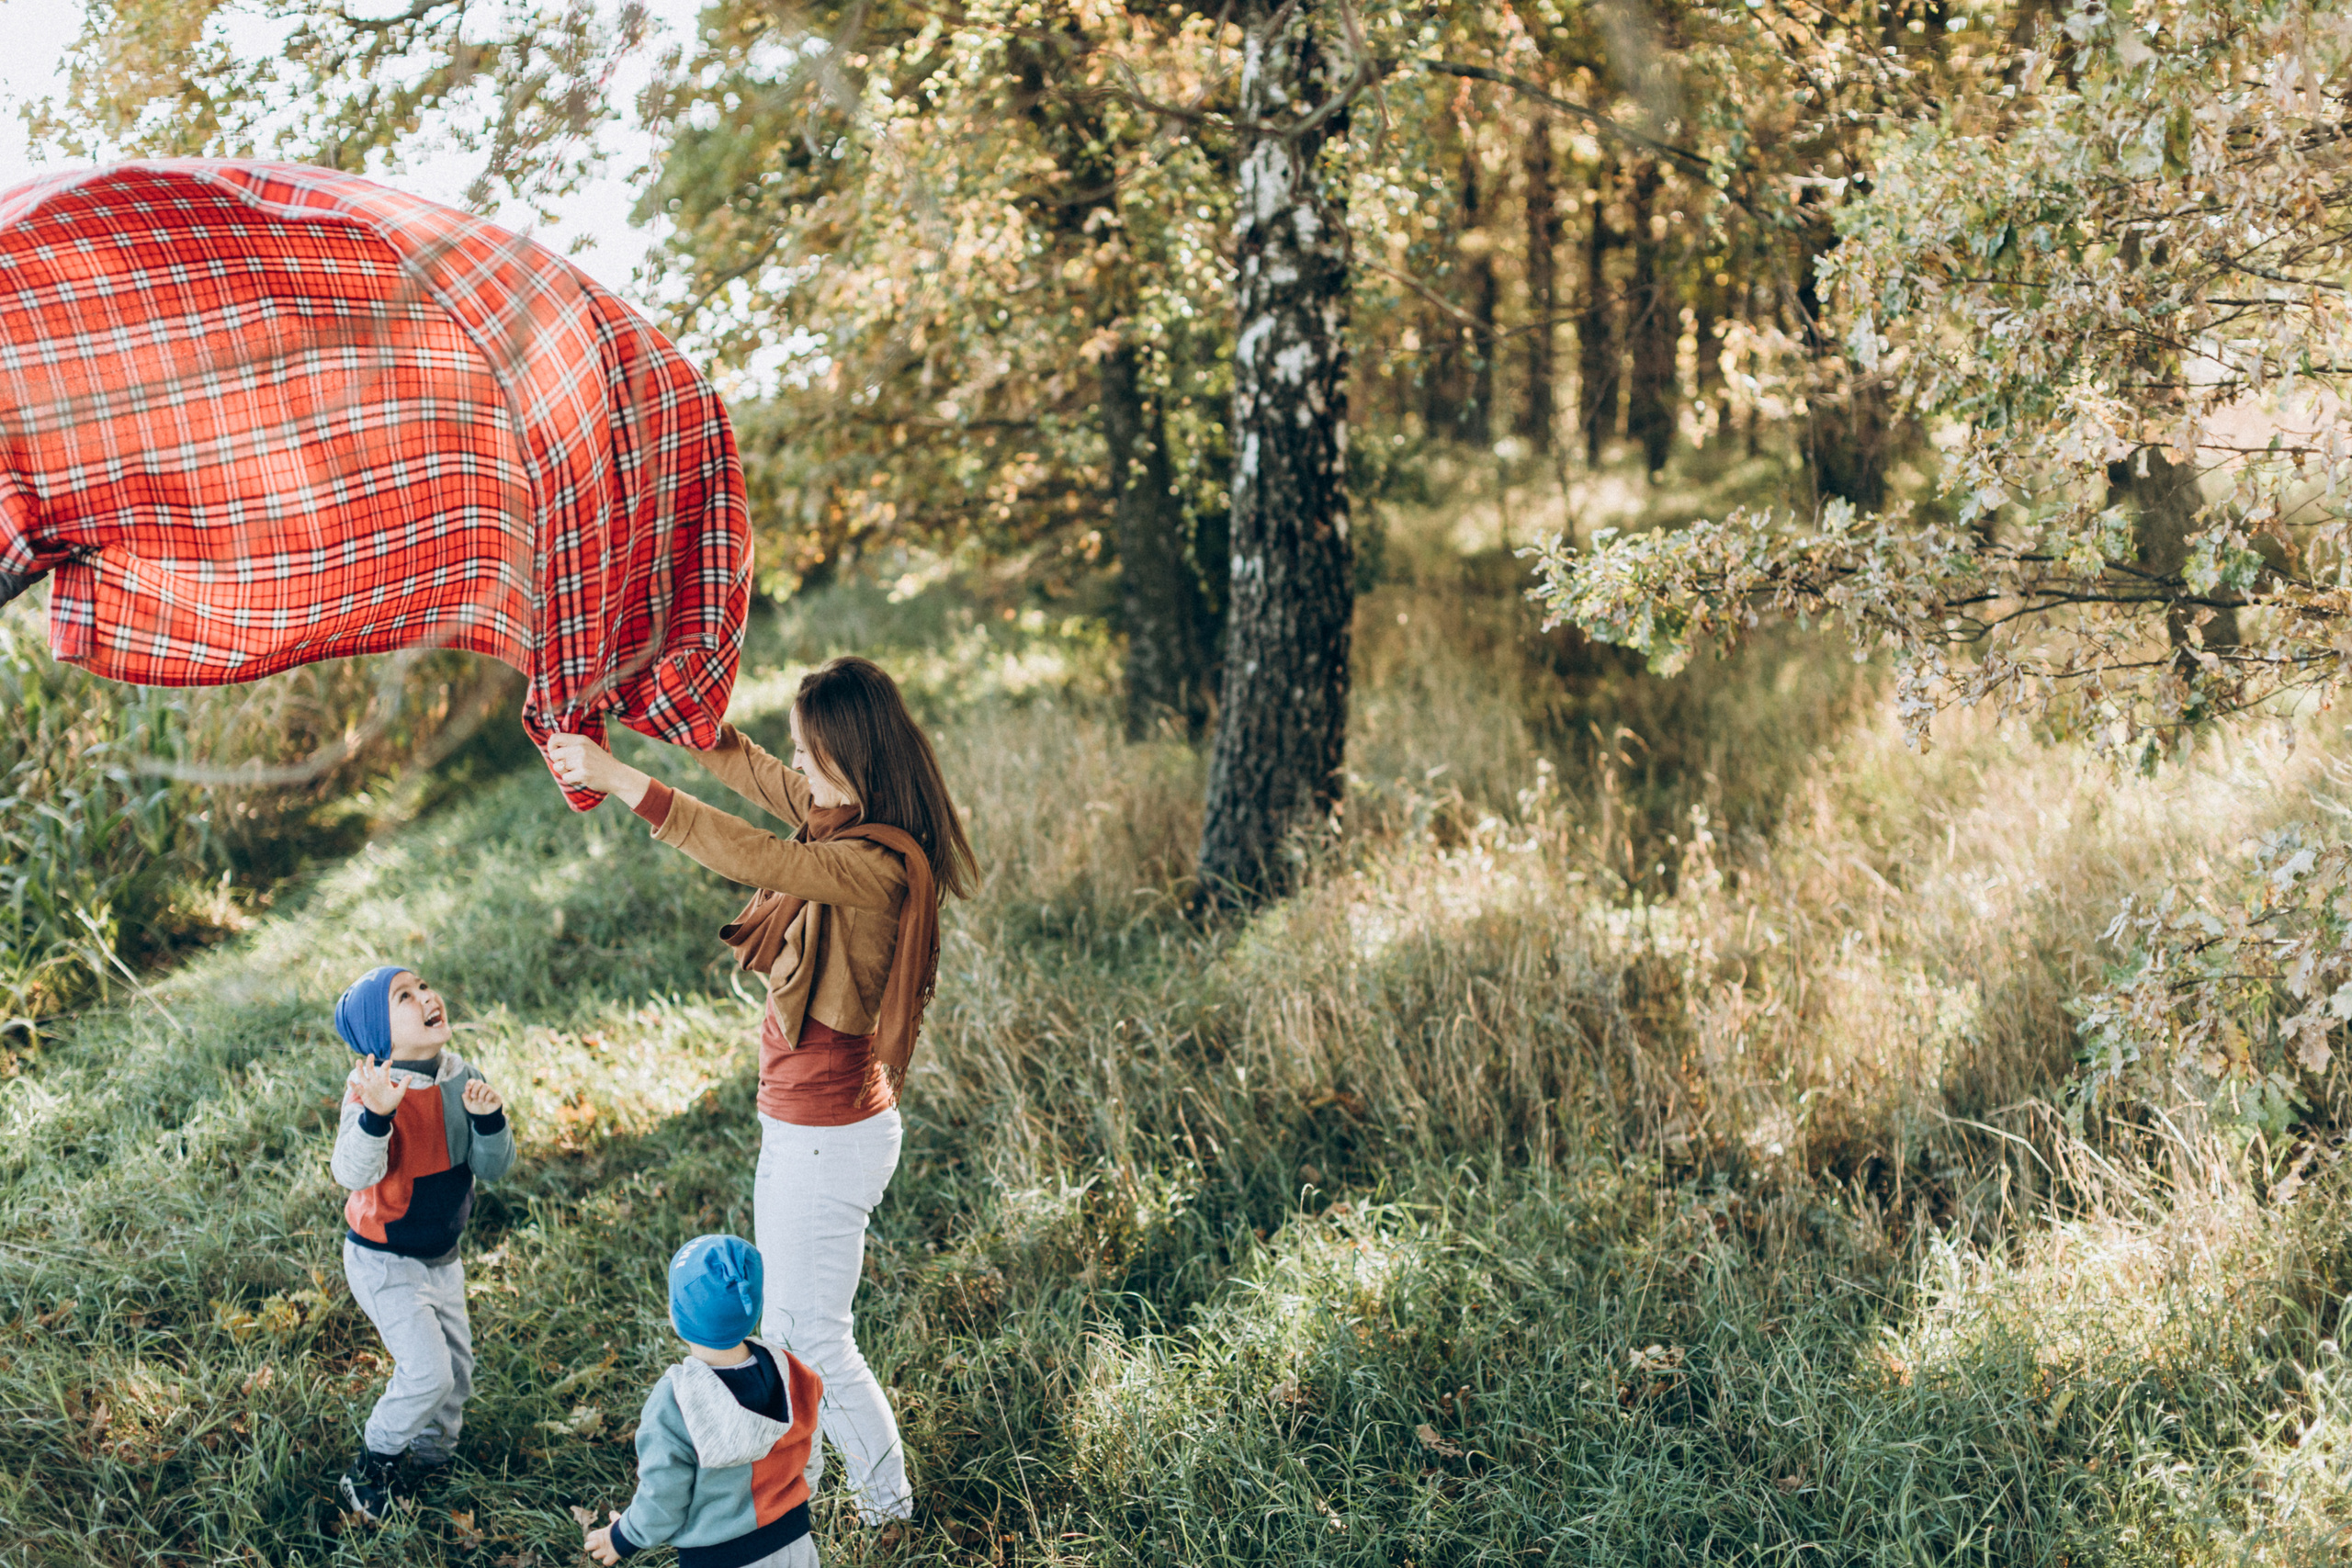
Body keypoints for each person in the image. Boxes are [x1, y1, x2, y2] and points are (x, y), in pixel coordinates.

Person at [547, 656, 976, 1530]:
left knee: (813, 1335)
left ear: (855, 758)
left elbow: (752, 850)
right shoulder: (849, 812)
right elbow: (752, 771)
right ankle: (807, 1478)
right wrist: (656, 716)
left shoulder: (871, 864)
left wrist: (625, 780)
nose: (800, 770)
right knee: (792, 1327)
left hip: (827, 1134)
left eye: (813, 756)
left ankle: (889, 1509)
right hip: (810, 1126)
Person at [328, 964, 515, 1520]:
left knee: (456, 1374)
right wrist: (376, 1116)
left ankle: (434, 1463)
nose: (426, 996)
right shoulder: (371, 1091)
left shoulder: (462, 1077)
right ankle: (371, 1467)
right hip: (384, 1258)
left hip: (442, 1257)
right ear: (378, 1039)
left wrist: (488, 1120)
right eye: (403, 997)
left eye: (424, 986)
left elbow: (495, 1167)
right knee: (427, 1373)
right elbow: (351, 1173)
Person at [583, 1235, 825, 1568]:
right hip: (795, 1542)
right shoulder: (793, 1373)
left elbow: (663, 1498)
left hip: (720, 1558)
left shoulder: (675, 1404)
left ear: (675, 1317)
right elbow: (811, 1455)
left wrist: (623, 1535)